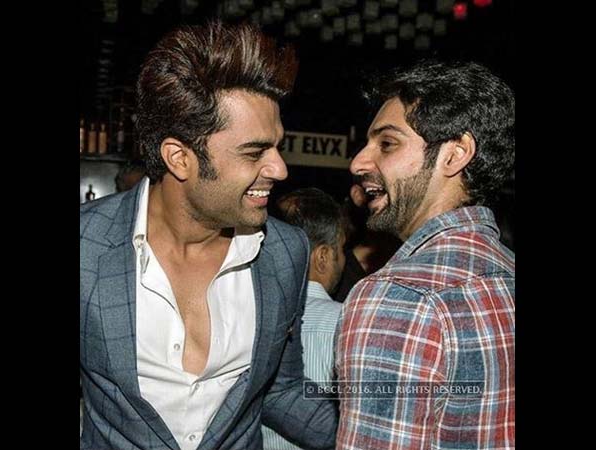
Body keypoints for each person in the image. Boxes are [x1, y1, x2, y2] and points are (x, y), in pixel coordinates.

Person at [80, 22, 337, 450]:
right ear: (179, 158)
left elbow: (279, 391)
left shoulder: (284, 252)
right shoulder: (86, 246)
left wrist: (379, 433)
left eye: (277, 146)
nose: (279, 169)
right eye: (254, 152)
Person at [335, 60, 515, 450]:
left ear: (455, 154)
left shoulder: (398, 295)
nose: (358, 162)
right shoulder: (507, 272)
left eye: (387, 143)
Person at [263, 188, 346, 449]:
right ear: (323, 257)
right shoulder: (349, 322)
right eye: (342, 249)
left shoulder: (253, 316)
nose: (344, 260)